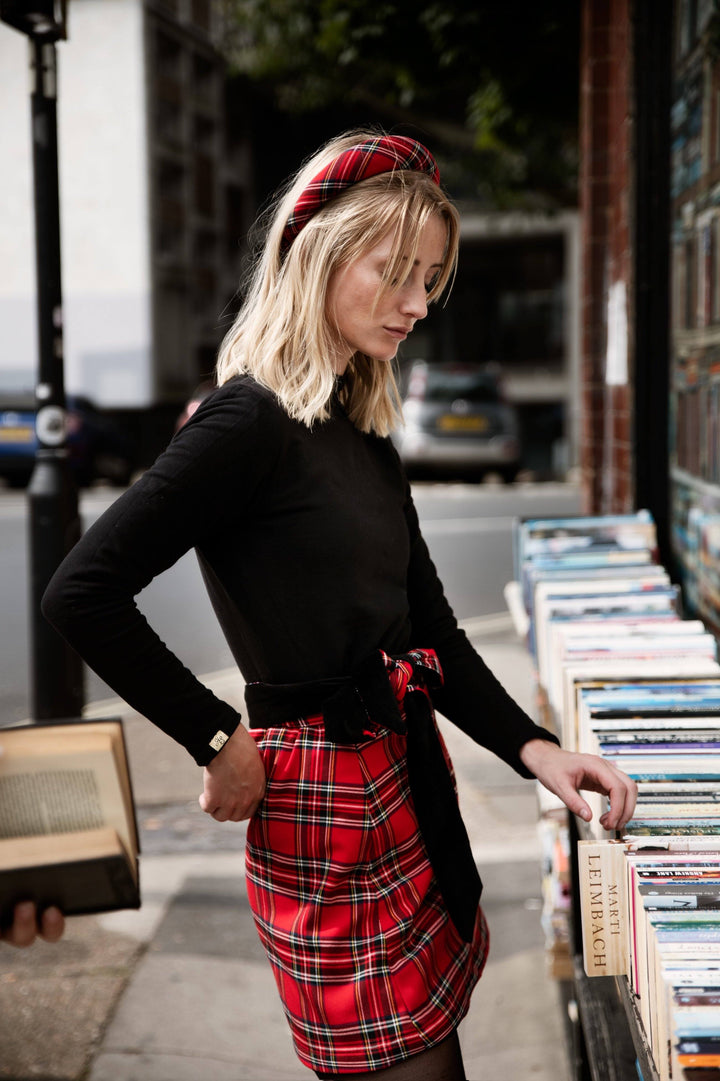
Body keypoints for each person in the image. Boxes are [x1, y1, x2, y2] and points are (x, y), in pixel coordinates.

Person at [3, 130, 637, 1080]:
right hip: (319, 816)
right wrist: (217, 736)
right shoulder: (245, 419)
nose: (420, 303)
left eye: (431, 278)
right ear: (321, 255)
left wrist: (538, 749)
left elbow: (428, 625)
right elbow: (80, 590)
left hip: (405, 783)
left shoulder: (362, 423)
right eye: (397, 273)